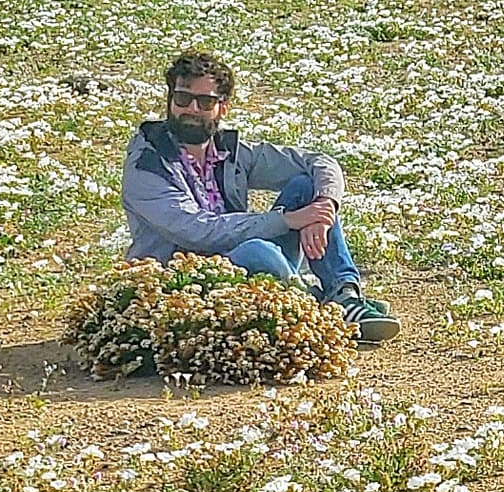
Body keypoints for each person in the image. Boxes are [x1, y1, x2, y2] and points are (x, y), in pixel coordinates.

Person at [119, 48, 399, 346]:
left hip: (244, 273)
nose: (191, 110)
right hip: (185, 287)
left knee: (306, 187)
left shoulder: (230, 151)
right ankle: (317, 309)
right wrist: (286, 220)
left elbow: (320, 161)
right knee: (256, 251)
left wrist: (324, 206)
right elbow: (200, 232)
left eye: (205, 102)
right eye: (183, 98)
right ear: (170, 98)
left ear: (222, 108)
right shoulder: (147, 164)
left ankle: (344, 295)